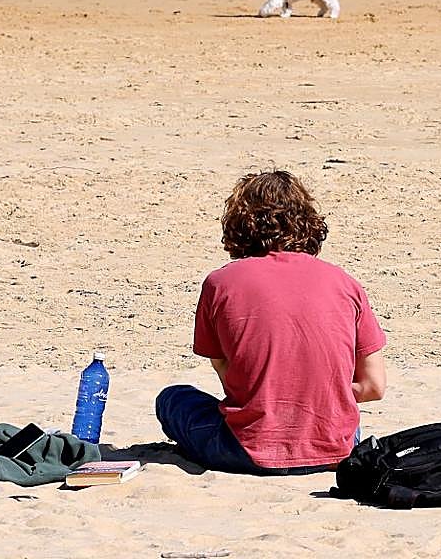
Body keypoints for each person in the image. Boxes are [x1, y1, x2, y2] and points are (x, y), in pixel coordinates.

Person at [156, 170, 387, 475]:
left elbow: (227, 373)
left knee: (172, 399)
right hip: (335, 449)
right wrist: (322, 396)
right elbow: (374, 387)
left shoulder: (220, 283)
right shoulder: (345, 283)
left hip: (248, 451)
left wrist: (275, 399)